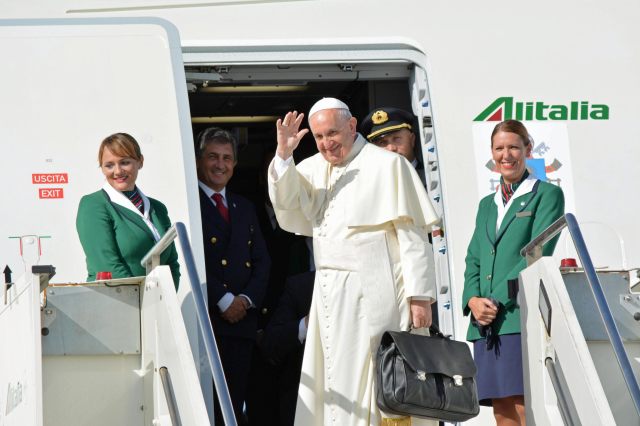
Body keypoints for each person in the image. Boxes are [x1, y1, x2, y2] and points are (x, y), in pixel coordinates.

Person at [268, 98, 439, 426]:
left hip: (378, 287)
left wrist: (419, 297)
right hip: (330, 291)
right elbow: (287, 202)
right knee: (333, 377)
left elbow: (413, 236)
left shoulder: (388, 165)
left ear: (351, 126)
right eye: (318, 137)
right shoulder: (315, 167)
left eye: (332, 133)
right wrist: (284, 155)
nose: (326, 143)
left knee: (380, 376)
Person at [462, 120, 564, 426]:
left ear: (527, 150)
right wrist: (473, 301)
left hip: (517, 314)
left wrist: (494, 301)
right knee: (501, 407)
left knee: (523, 404)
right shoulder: (486, 205)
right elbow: (474, 258)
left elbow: (537, 252)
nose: (506, 155)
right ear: (492, 154)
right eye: (499, 148)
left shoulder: (546, 195)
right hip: (485, 320)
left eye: (513, 147)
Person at [195, 127, 270, 424]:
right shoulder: (189, 202)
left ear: (235, 165)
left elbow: (262, 261)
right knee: (208, 406)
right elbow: (191, 259)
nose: (220, 164)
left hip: (242, 325)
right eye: (212, 156)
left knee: (236, 403)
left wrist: (246, 299)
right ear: (200, 160)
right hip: (209, 322)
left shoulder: (244, 206)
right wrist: (224, 299)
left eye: (227, 158)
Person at [76, 132, 180, 287]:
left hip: (156, 306)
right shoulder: (93, 205)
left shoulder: (158, 208)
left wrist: (165, 301)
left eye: (124, 162)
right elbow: (107, 266)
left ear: (140, 161)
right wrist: (144, 302)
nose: (117, 171)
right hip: (116, 303)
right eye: (109, 165)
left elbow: (171, 263)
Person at [258, 270, 316, 426]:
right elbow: (271, 345)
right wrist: (306, 324)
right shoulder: (301, 286)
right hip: (306, 405)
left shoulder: (373, 284)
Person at [361, 107, 424, 185]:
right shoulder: (372, 184)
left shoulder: (429, 177)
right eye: (382, 142)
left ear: (412, 139)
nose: (391, 149)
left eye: (397, 139)